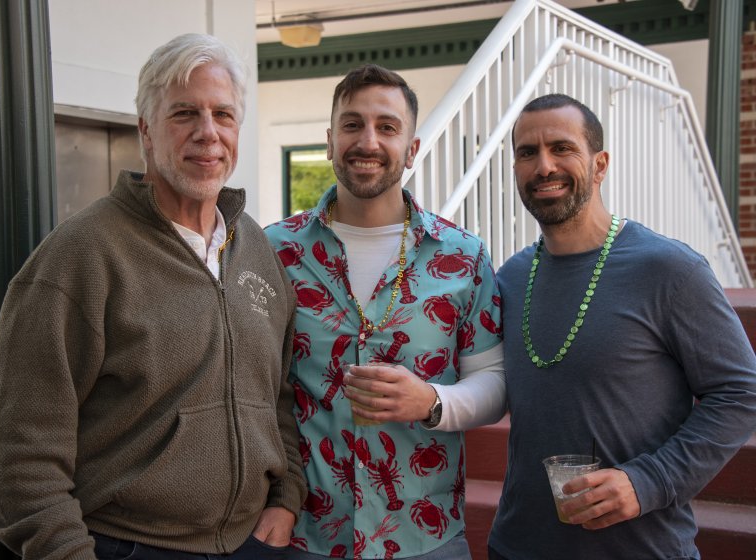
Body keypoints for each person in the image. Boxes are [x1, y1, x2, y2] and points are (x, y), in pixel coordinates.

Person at [0, 33, 306, 559]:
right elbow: (17, 449)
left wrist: (287, 497)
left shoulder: (257, 251)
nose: (207, 133)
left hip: (252, 543)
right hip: (125, 546)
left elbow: (279, 394)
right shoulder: (80, 255)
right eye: (184, 114)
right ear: (146, 130)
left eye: (223, 114)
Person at [488, 93, 756, 559]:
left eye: (562, 148)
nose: (543, 166)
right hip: (518, 546)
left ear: (600, 163)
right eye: (527, 153)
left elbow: (741, 391)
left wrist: (648, 481)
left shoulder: (670, 269)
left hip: (638, 549)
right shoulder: (510, 277)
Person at [265, 64, 507, 559]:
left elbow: (496, 380)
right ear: (330, 140)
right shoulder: (273, 250)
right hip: (306, 535)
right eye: (352, 125)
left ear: (411, 149)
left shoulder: (463, 255)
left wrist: (433, 403)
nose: (367, 141)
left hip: (425, 537)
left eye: (387, 127)